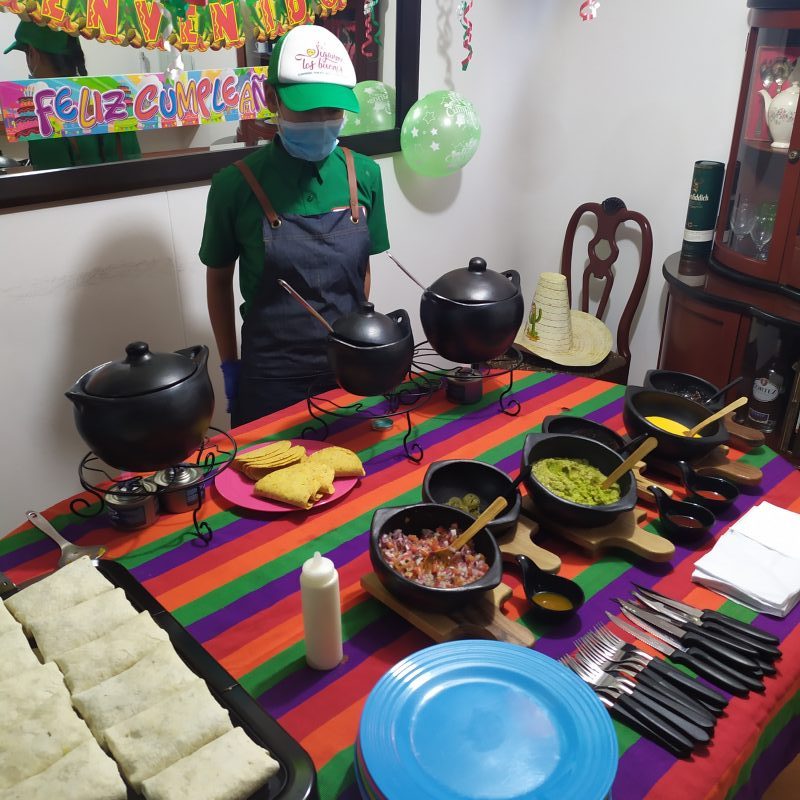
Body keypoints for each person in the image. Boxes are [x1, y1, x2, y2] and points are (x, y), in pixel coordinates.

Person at [199, 24, 390, 427]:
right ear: (273, 99)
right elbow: (218, 281)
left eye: (332, 110)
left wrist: (360, 340)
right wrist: (230, 364)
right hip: (270, 378)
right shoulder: (233, 185)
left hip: (349, 369)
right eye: (307, 109)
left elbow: (363, 270)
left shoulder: (365, 175)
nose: (322, 121)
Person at [3, 21, 141, 169]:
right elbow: (134, 165)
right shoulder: (118, 100)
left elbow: (50, 177)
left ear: (33, 54)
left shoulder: (38, 113)